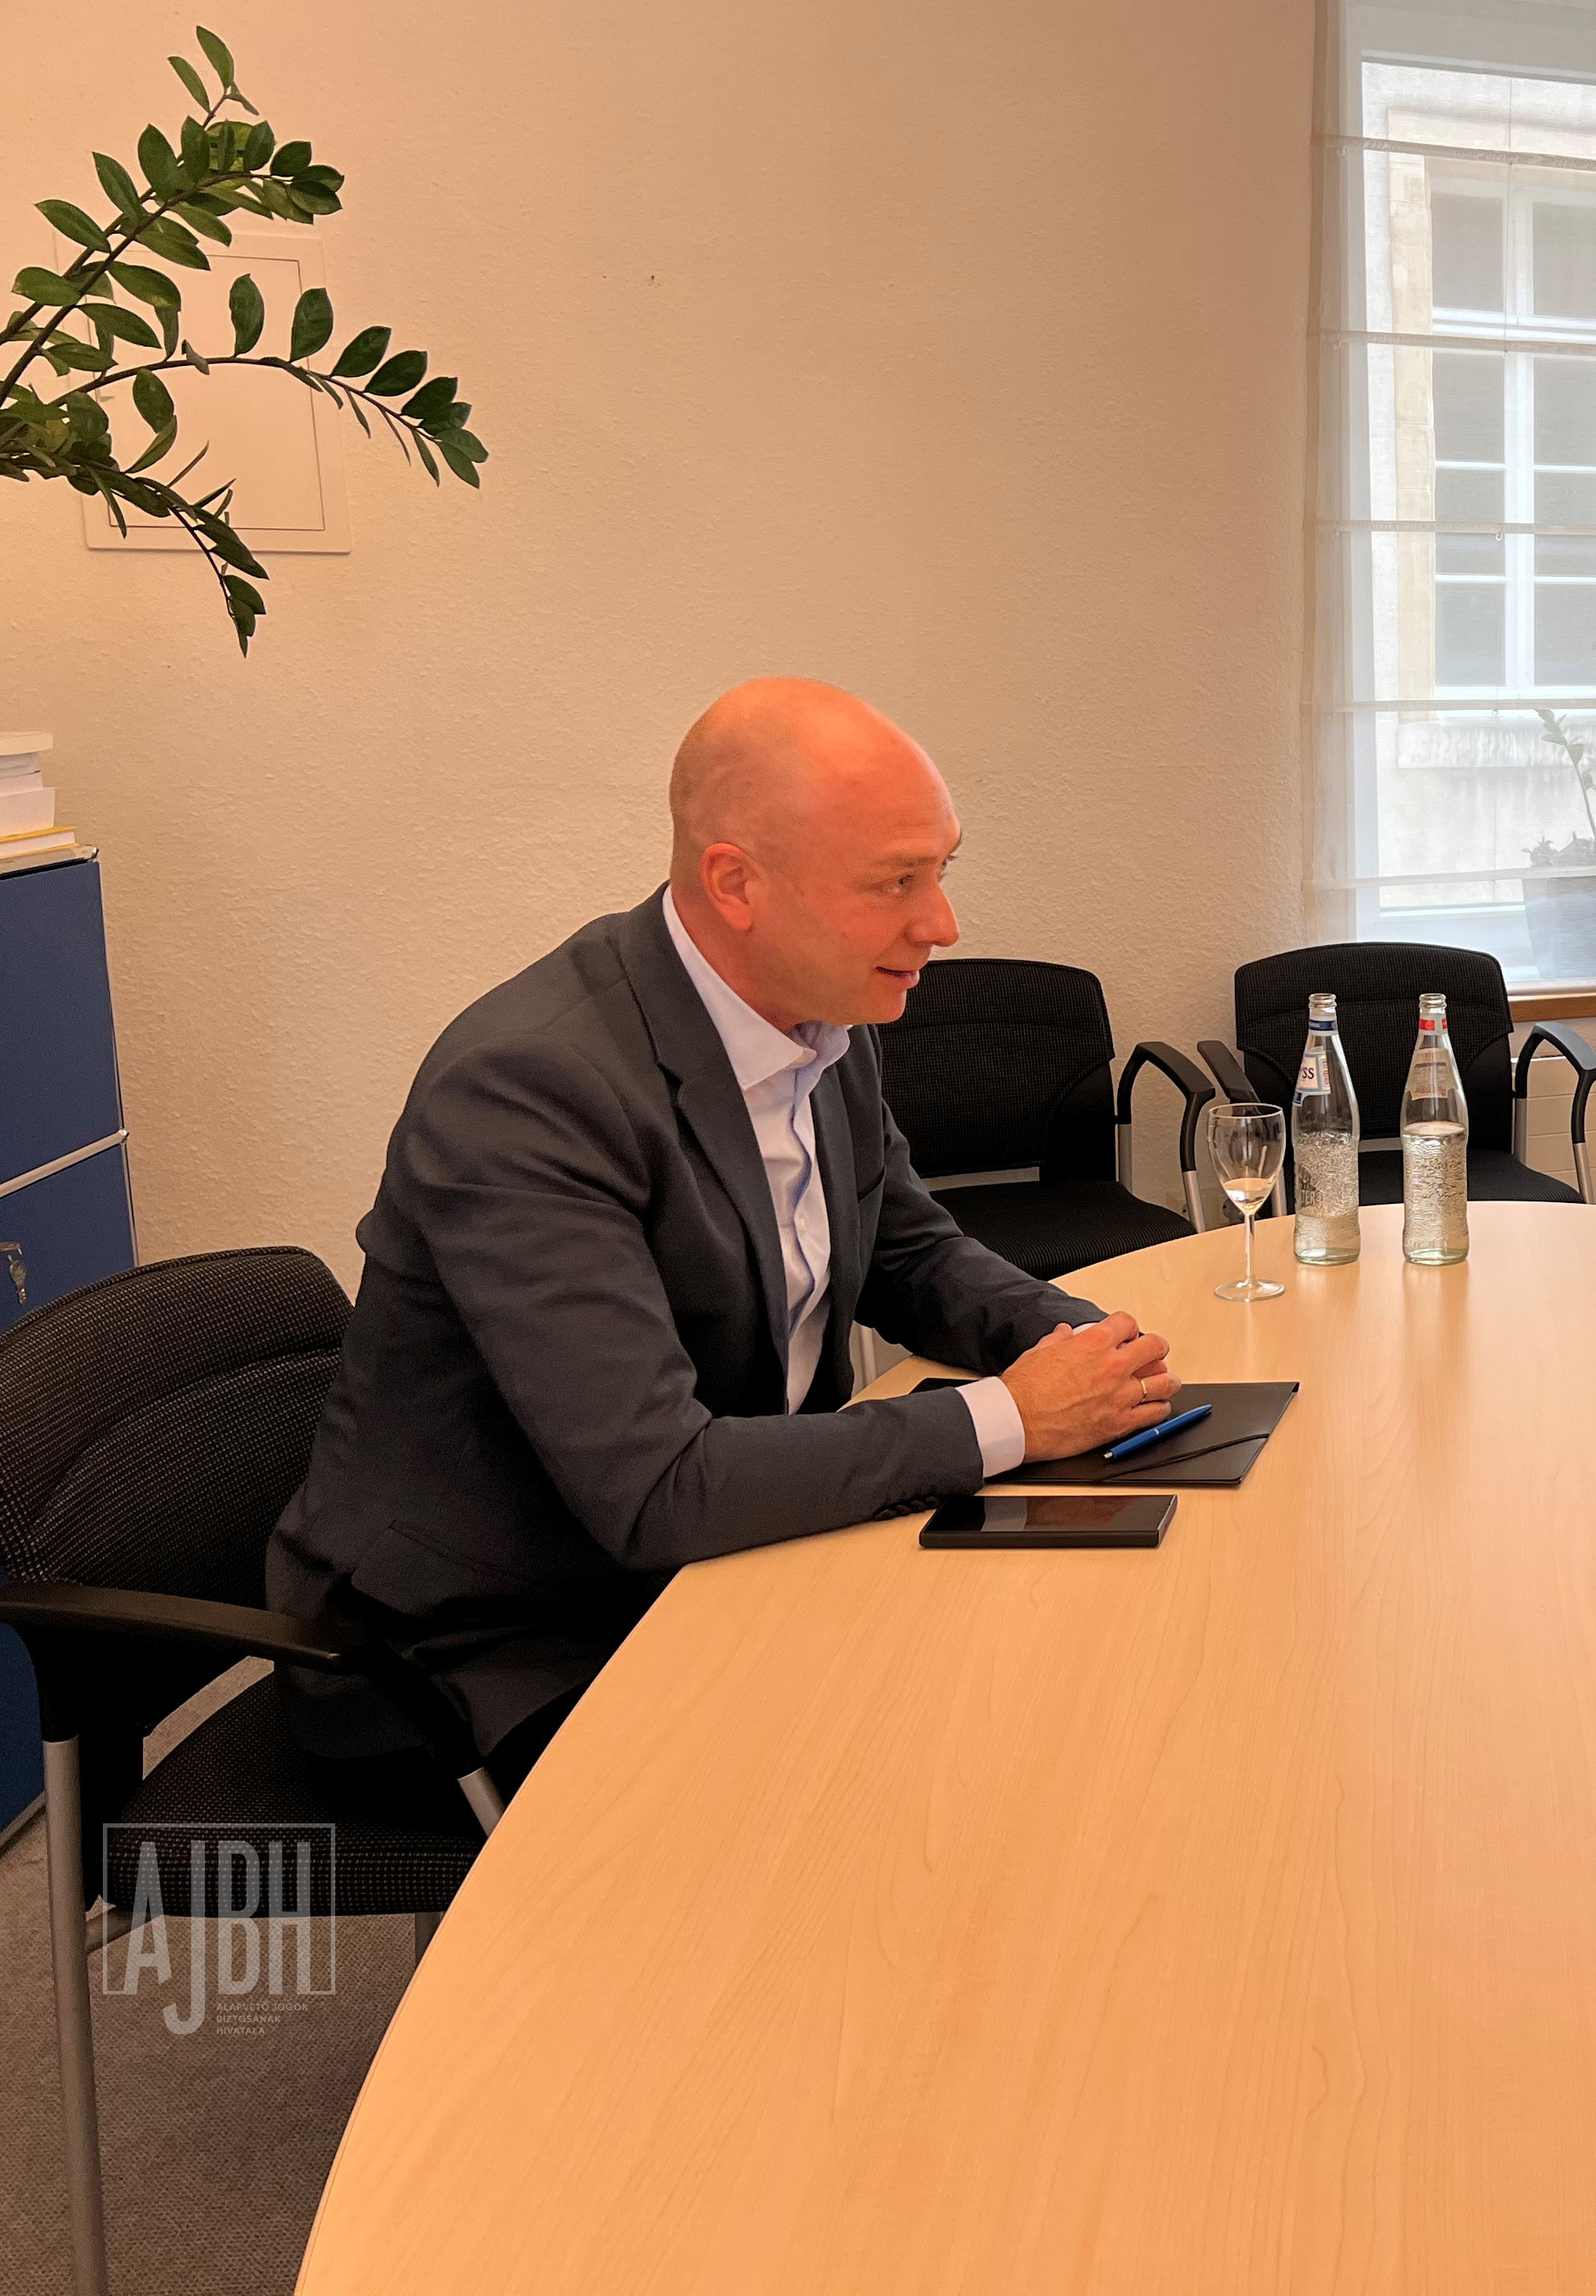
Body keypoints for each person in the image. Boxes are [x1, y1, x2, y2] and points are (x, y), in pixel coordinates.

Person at [269, 678, 1182, 1802]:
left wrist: (1086, 1348)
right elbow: (658, 1485)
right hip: (498, 1637)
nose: (941, 925)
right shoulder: (529, 1088)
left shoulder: (824, 1013)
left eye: (943, 870)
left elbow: (909, 1254)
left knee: (1058, 1691)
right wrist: (1013, 1416)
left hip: (720, 1547)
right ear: (736, 884)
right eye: (896, 881)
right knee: (926, 1784)